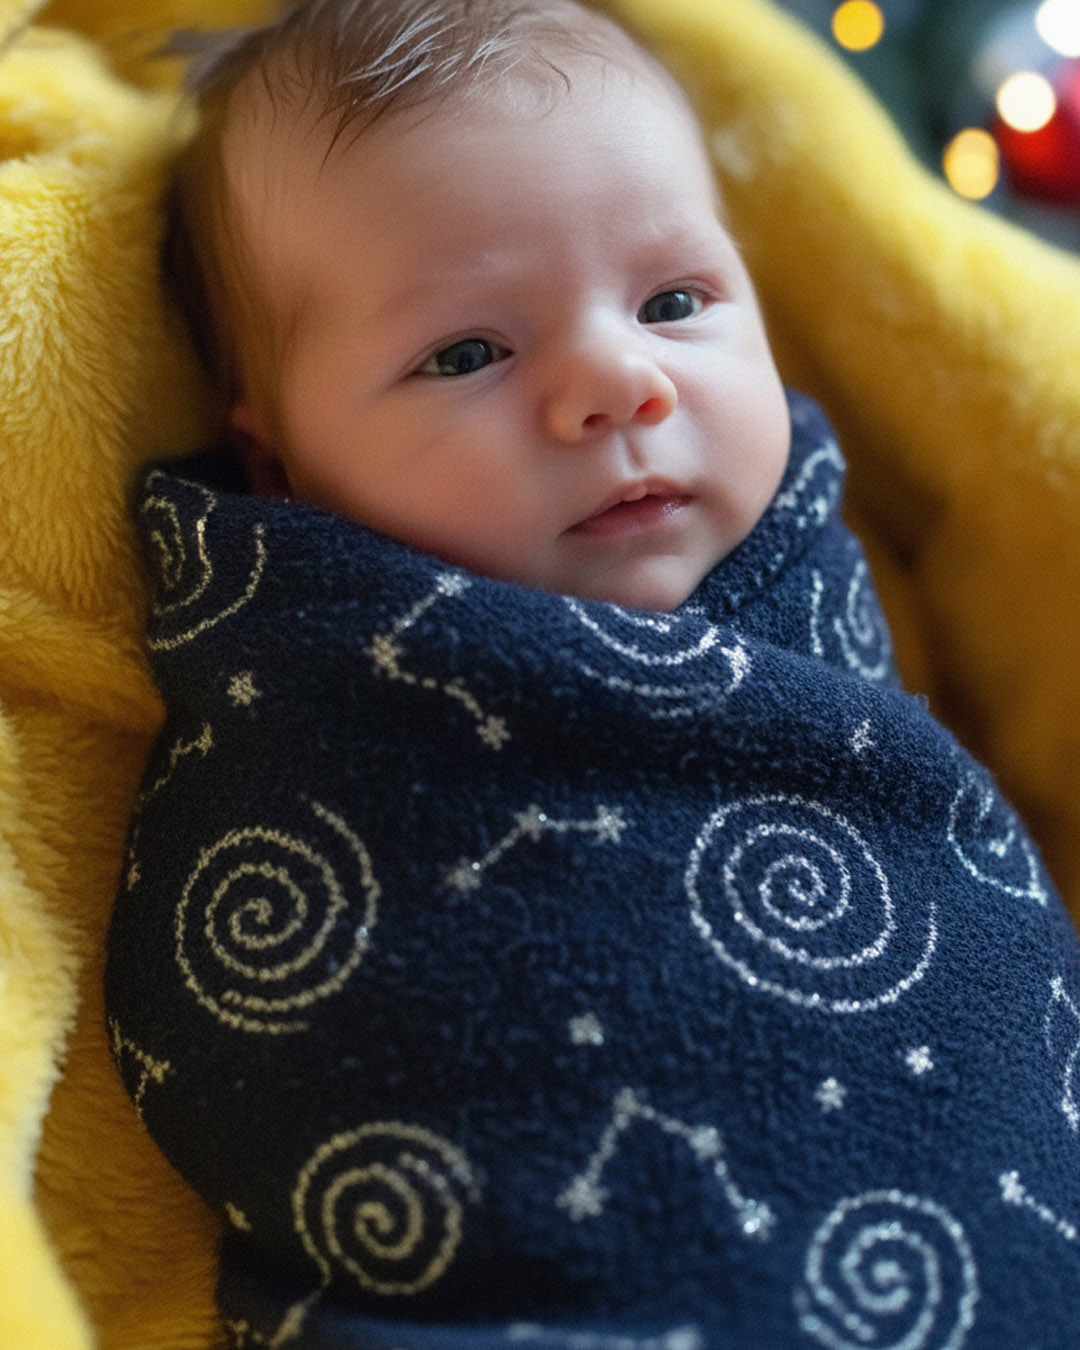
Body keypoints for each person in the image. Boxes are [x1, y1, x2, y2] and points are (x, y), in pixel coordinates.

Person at [106, 1, 1080, 1347]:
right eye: (466, 354)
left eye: (674, 302)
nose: (622, 384)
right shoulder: (305, 688)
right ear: (277, 461)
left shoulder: (812, 538)